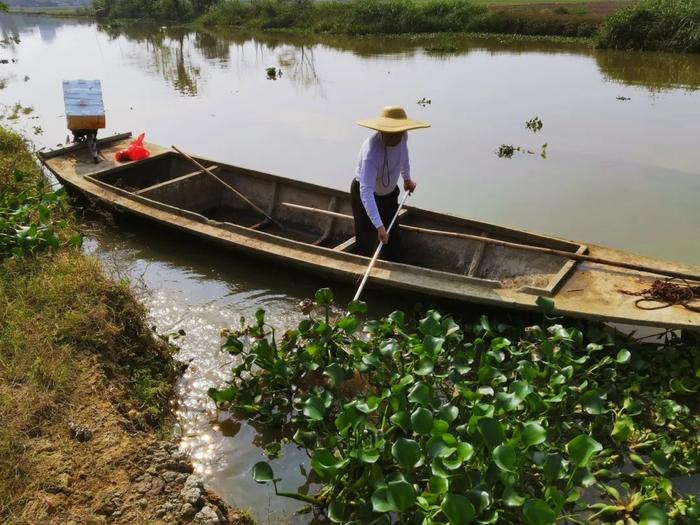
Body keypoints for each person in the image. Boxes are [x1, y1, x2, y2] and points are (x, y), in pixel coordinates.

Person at [351, 106, 430, 262]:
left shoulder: (403, 137)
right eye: (389, 134)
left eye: (397, 134)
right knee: (366, 240)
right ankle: (358, 268)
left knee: (393, 238)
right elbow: (365, 191)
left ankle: (393, 263)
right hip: (366, 197)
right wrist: (379, 226)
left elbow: (404, 157)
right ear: (382, 131)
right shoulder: (371, 153)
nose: (394, 138)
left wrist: (406, 179)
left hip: (389, 193)